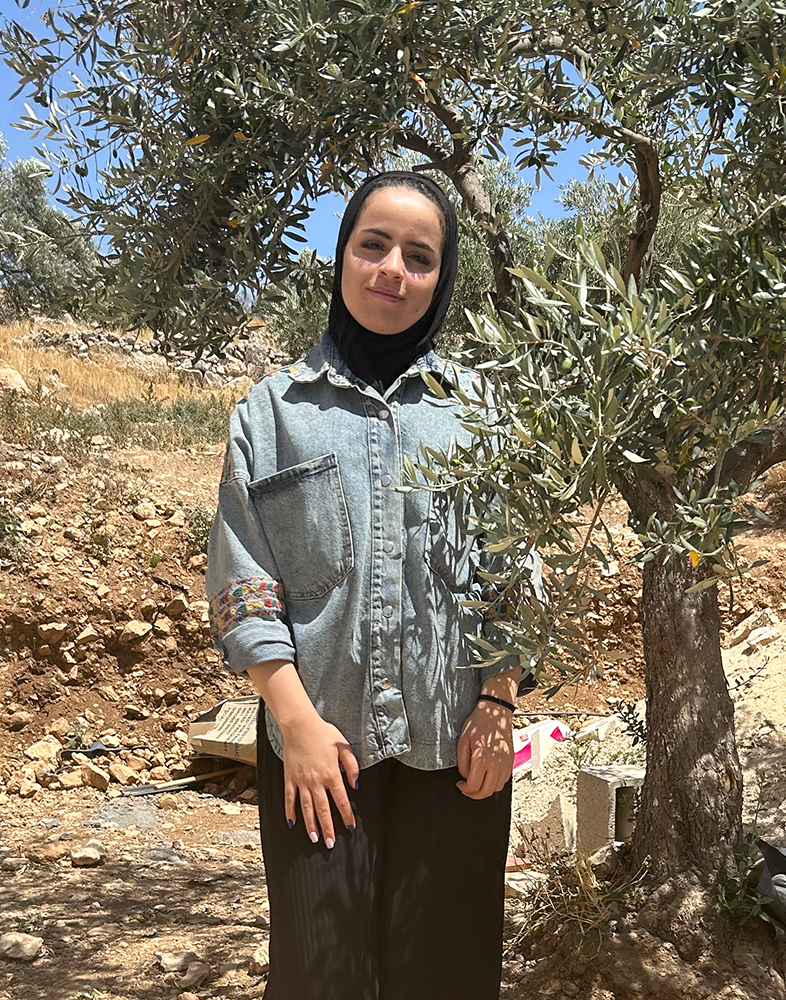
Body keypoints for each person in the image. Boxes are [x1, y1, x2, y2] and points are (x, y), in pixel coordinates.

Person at [205, 170, 524, 1000]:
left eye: (419, 256)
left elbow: (516, 571)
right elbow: (246, 583)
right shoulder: (271, 416)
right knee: (321, 978)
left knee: (446, 977)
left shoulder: (479, 411)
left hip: (457, 746)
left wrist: (499, 705)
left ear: (442, 278)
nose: (393, 270)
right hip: (319, 753)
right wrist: (296, 724)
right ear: (341, 256)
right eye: (373, 245)